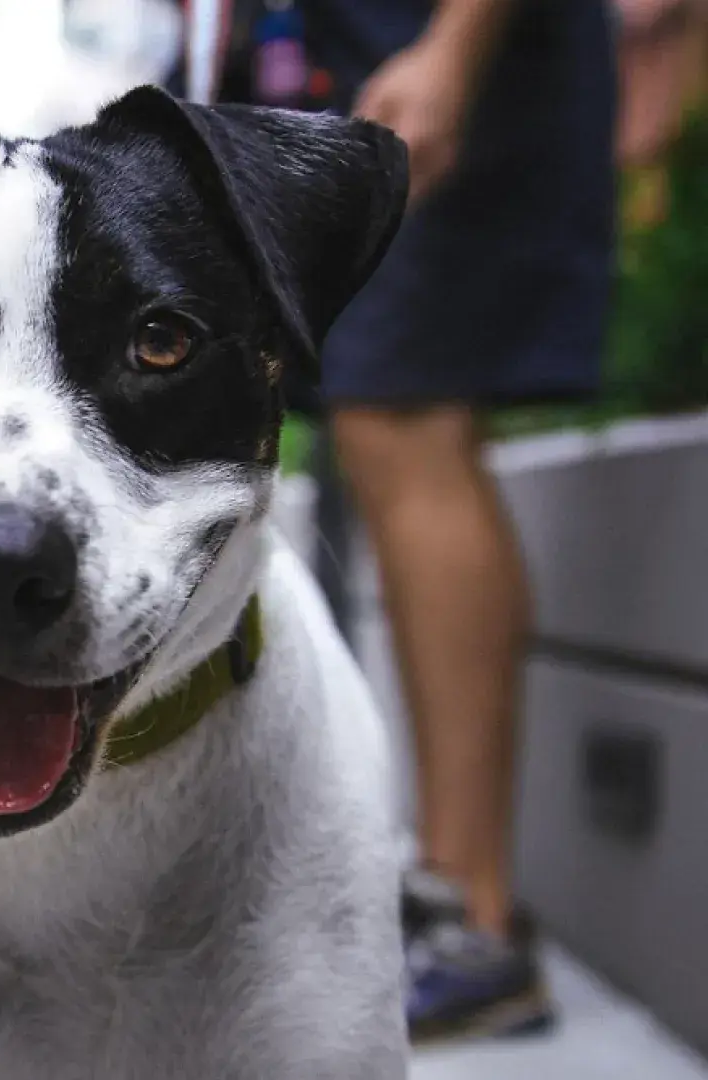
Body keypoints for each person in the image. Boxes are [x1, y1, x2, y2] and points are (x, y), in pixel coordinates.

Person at [297, 0, 620, 1046]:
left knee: (405, 416)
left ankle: (473, 922)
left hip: (438, 61)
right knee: (386, 420)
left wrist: (454, 48)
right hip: (378, 61)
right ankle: (450, 903)